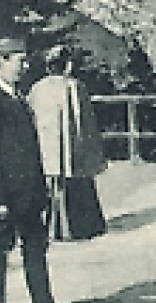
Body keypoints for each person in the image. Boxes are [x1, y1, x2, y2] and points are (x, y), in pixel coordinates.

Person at [0, 38, 90, 303]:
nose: (25, 66)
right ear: (1, 62)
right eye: (18, 61)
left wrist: (40, 191)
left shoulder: (16, 97)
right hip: (5, 197)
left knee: (36, 249)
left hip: (28, 194)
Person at [26, 45, 108, 241]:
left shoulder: (37, 88)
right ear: (68, 66)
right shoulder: (74, 86)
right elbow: (84, 122)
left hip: (46, 145)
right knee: (75, 180)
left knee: (50, 182)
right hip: (72, 145)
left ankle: (52, 227)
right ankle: (79, 226)